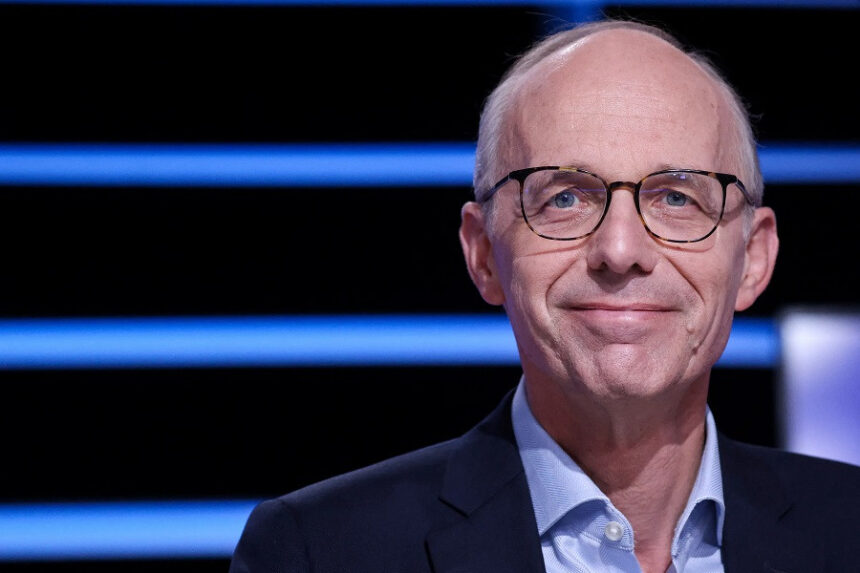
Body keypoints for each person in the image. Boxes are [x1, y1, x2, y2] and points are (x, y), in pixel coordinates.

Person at [229, 19, 859, 572]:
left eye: (676, 197)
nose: (620, 250)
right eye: (564, 198)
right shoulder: (321, 552)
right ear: (483, 253)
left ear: (753, 259)